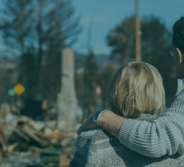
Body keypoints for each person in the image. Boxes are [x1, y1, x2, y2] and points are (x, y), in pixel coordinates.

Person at [77, 16, 184, 158]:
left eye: (172, 53)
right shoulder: (175, 160)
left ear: (179, 55)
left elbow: (156, 139)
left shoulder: (90, 141)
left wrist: (102, 116)